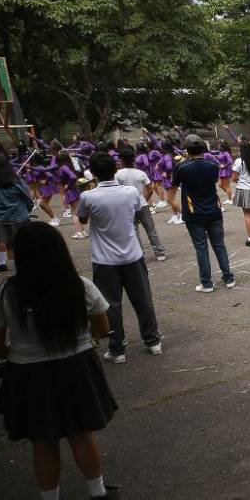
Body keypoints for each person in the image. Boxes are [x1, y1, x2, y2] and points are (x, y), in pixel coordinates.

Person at [0, 222, 120, 500]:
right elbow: (101, 327)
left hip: (28, 374)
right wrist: (88, 343)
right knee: (80, 434)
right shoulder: (79, 286)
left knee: (42, 440)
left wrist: (17, 355)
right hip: (75, 366)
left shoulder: (3, 292)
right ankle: (97, 494)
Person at [77, 150, 163, 362]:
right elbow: (137, 210)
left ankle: (117, 349)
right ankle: (153, 341)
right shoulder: (130, 193)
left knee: (111, 305)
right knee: (142, 299)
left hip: (104, 259)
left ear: (93, 173)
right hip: (133, 254)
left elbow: (82, 218)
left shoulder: (88, 196)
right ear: (114, 169)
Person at [174, 134, 235, 293]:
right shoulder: (212, 166)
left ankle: (206, 283)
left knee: (201, 247)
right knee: (219, 244)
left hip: (193, 213)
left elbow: (173, 189)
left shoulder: (181, 167)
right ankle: (228, 278)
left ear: (187, 149)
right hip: (214, 209)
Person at [0, 152, 35, 267]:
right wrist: (27, 211)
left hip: (0, 220)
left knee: (6, 245)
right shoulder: (17, 181)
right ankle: (23, 269)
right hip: (20, 218)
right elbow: (28, 199)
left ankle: (11, 267)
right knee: (22, 246)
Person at [115, 148, 166, 262]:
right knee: (151, 230)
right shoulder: (141, 173)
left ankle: (140, 255)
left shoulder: (118, 175)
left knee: (134, 232)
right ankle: (159, 253)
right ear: (134, 159)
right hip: (142, 204)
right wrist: (144, 199)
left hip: (127, 206)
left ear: (121, 160)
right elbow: (150, 190)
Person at [216, 139, 234, 205]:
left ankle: (230, 199)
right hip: (221, 170)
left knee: (227, 186)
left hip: (225, 170)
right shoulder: (221, 152)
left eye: (220, 144)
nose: (218, 145)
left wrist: (225, 166)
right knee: (220, 185)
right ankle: (231, 194)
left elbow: (230, 161)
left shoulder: (226, 153)